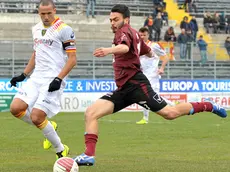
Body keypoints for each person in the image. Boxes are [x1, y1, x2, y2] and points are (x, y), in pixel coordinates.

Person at [73, 4, 227, 166]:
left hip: (137, 86)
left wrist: (108, 50)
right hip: (124, 89)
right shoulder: (135, 35)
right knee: (91, 113)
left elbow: (125, 47)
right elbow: (146, 51)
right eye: (111, 20)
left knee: (170, 113)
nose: (112, 23)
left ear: (126, 19)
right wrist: (150, 55)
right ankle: (89, 155)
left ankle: (208, 105)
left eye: (116, 20)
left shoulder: (123, 32)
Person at [9, 0, 77, 159]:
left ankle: (61, 150)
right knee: (15, 108)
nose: (46, 17)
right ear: (38, 13)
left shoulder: (65, 30)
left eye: (49, 13)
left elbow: (72, 59)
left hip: (53, 79)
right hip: (36, 78)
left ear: (55, 10)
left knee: (37, 117)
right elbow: (36, 53)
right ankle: (50, 126)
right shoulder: (36, 29)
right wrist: (24, 74)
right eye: (42, 14)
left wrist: (59, 79)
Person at [136, 27, 174, 125]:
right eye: (140, 35)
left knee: (148, 95)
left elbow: (165, 57)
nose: (142, 37)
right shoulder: (138, 46)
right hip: (143, 74)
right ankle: (173, 104)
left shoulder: (154, 45)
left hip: (153, 74)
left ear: (148, 35)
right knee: (152, 96)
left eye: (144, 35)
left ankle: (145, 118)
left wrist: (161, 68)